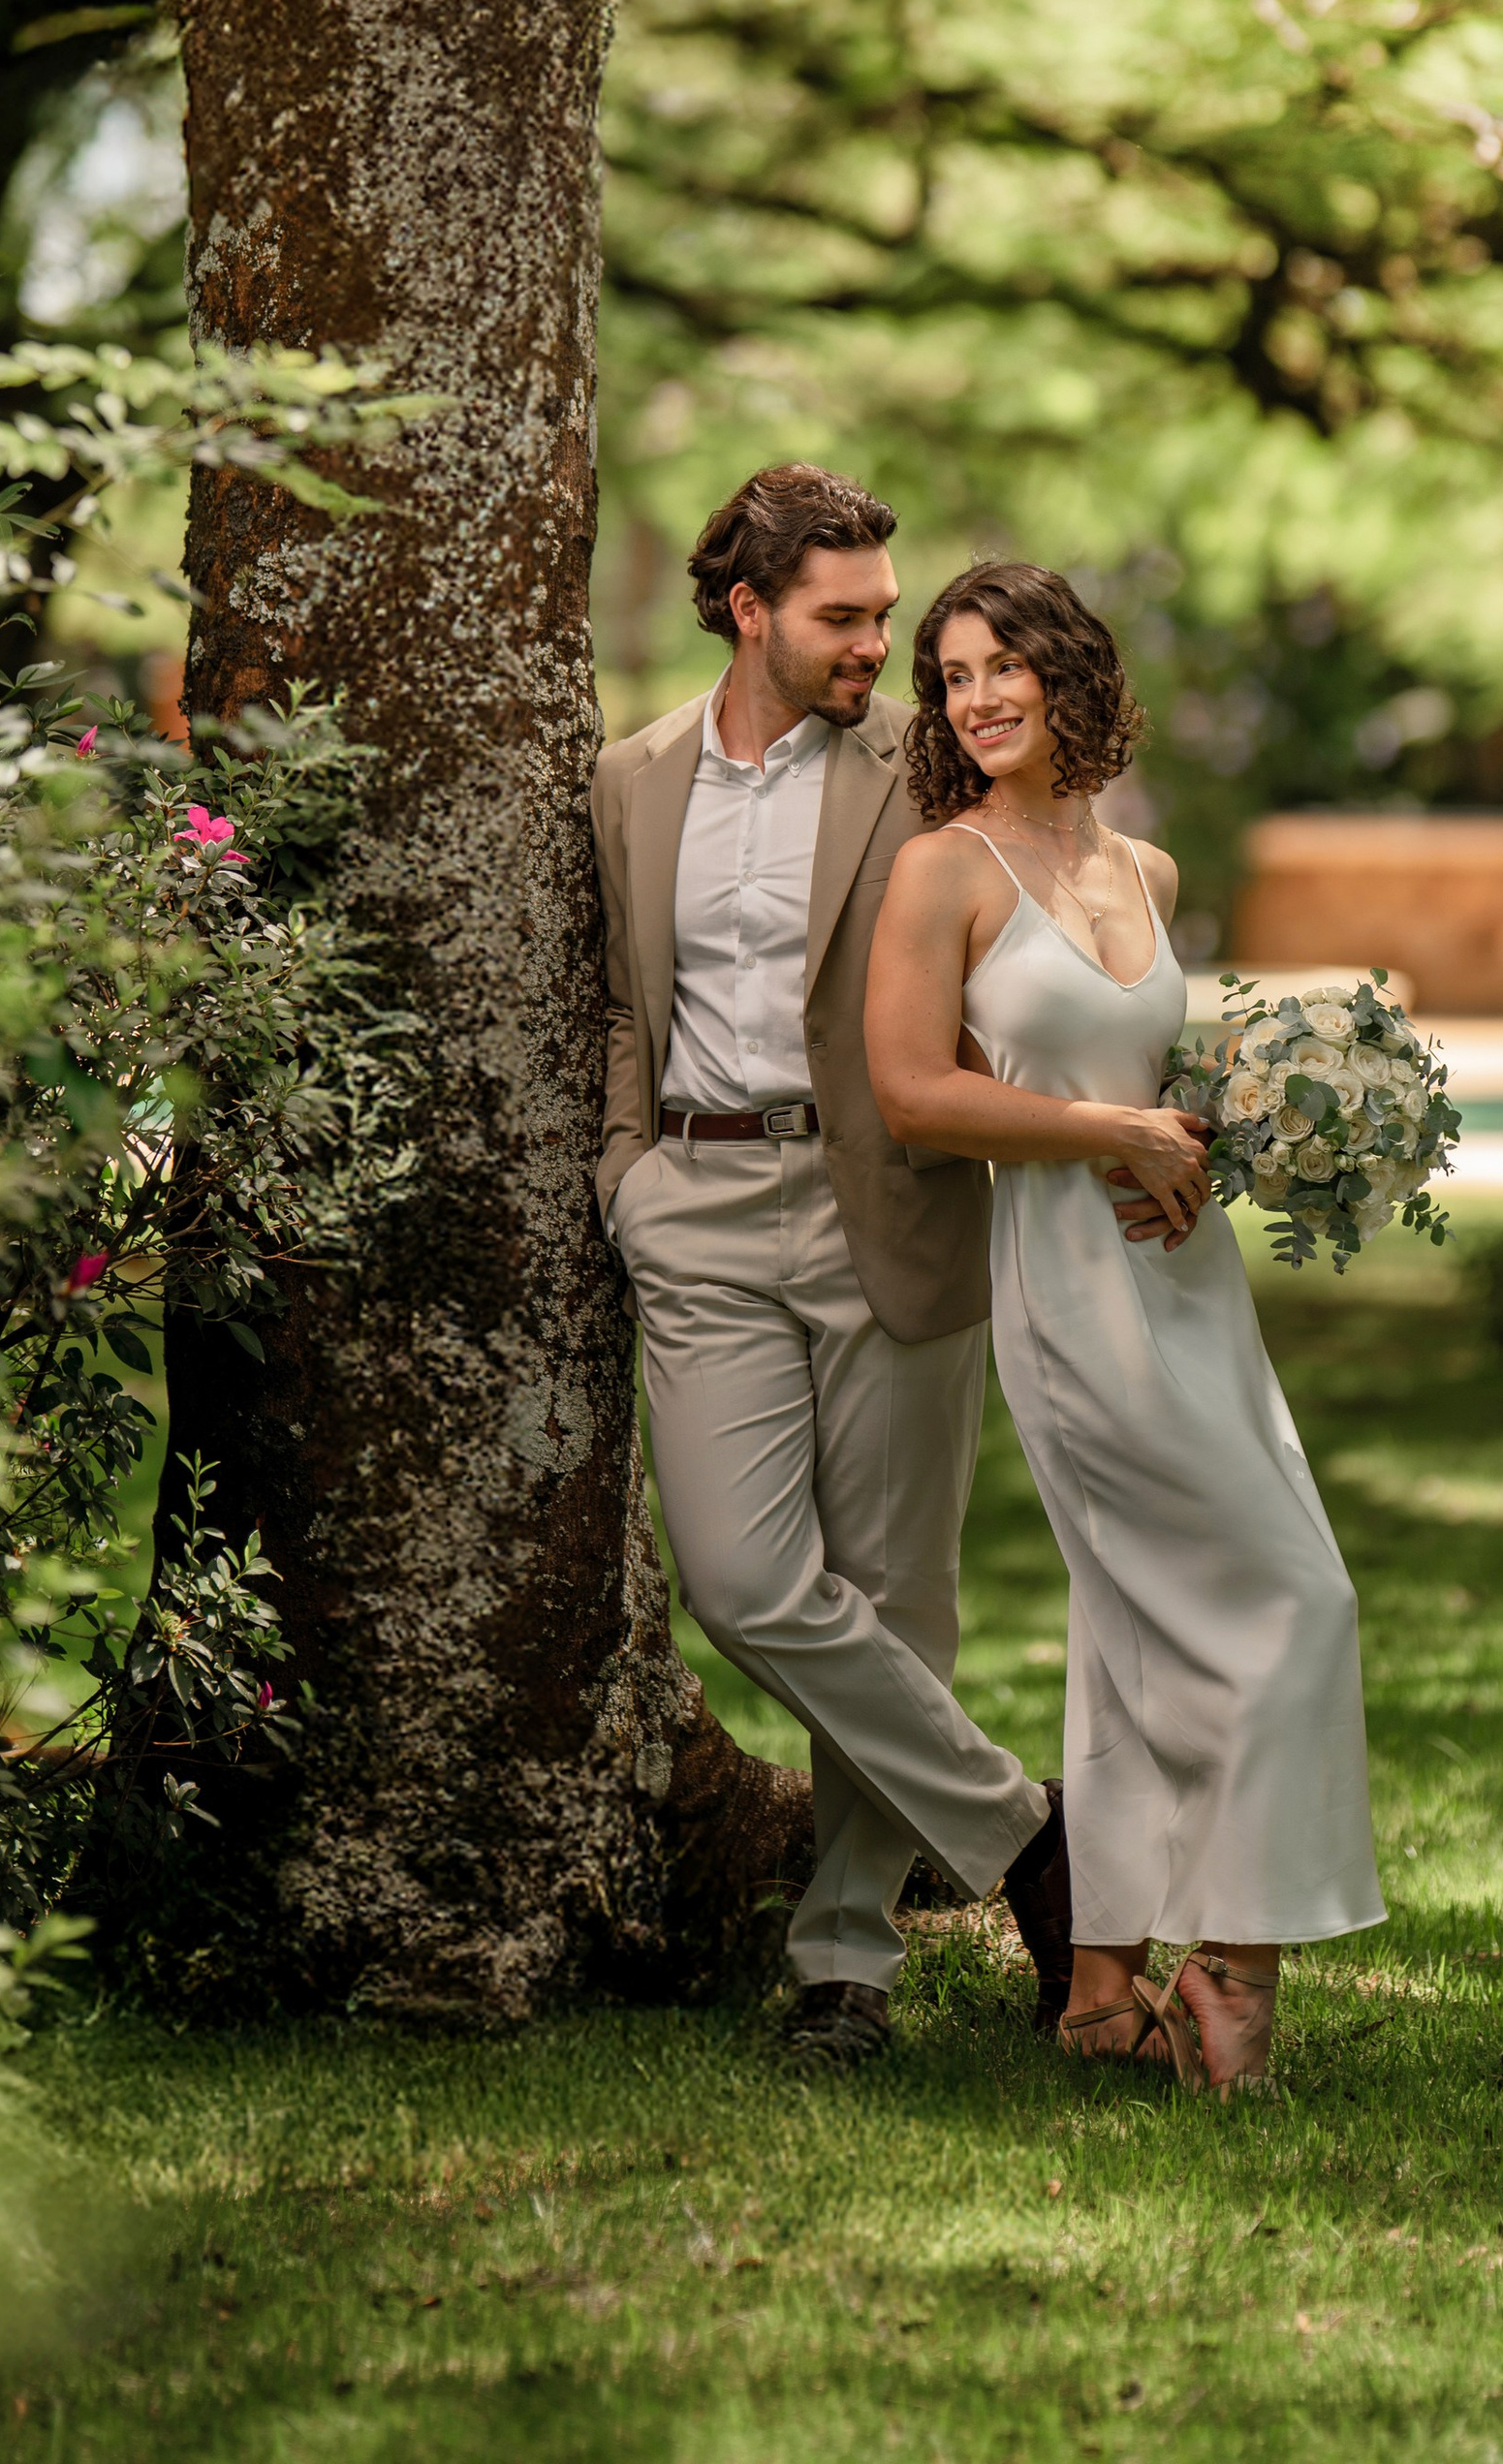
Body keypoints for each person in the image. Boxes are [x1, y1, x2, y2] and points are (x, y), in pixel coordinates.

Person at [864, 561, 1384, 2089]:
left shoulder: (1143, 873)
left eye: (1001, 665)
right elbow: (913, 1092)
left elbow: (1167, 1096)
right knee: (1300, 1602)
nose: (977, 698)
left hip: (1186, 1280)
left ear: (1069, 673)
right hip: (1065, 1290)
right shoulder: (943, 871)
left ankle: (1101, 1988)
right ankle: (1234, 1969)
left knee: (1136, 1626)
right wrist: (1109, 1132)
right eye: (950, 676)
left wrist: (1199, 1153)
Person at [591, 466, 1073, 2068]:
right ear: (748, 611)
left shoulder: (923, 775)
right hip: (697, 1203)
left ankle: (845, 1968)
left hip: (894, 1201)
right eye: (845, 616)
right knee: (741, 1581)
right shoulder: (631, 777)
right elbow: (616, 995)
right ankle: (1030, 1841)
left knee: (892, 1595)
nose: (884, 642)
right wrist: (624, 1171)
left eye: (886, 612)